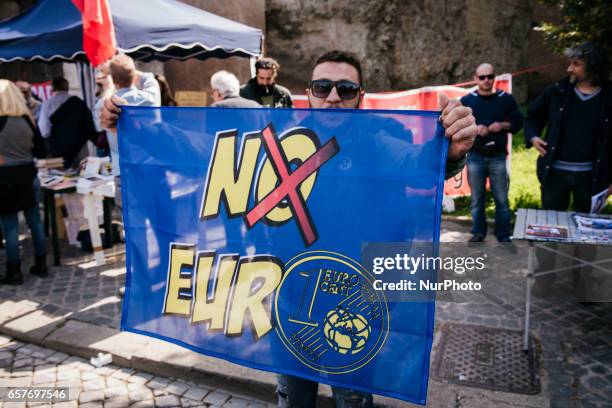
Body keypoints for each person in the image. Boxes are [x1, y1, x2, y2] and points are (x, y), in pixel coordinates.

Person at [275, 50, 477, 408]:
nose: (333, 97)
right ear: (309, 93)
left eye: (345, 88)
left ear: (360, 96)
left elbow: (415, 161)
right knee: (292, 399)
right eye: (322, 87)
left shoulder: (379, 139)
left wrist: (451, 153)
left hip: (353, 303)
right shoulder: (283, 143)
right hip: (292, 297)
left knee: (352, 399)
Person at [525, 41, 611, 296]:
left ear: (592, 67)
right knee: (549, 229)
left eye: (576, 63)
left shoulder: (609, 97)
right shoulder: (557, 91)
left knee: (588, 234)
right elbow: (532, 117)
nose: (569, 68)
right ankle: (544, 279)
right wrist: (532, 137)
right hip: (555, 175)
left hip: (591, 178)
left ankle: (582, 283)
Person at [461, 63, 523, 243]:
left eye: (490, 76)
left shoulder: (506, 99)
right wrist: (474, 128)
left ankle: (503, 234)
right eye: (482, 77)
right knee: (477, 199)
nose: (486, 80)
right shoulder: (467, 101)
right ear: (475, 79)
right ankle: (478, 232)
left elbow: (518, 122)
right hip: (475, 156)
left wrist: (502, 125)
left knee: (502, 199)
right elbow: (457, 127)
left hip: (497, 156)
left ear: (494, 78)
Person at [0, 80, 47, 285]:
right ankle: (41, 263)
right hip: (28, 174)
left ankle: (14, 271)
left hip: (4, 178)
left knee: (10, 227)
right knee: (34, 220)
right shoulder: (28, 120)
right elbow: (41, 151)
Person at [37, 76, 97, 169]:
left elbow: (44, 130)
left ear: (52, 88)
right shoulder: (79, 102)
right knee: (82, 177)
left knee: (61, 179)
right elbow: (89, 124)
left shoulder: (47, 104)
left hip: (58, 151)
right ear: (67, 87)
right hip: (80, 149)